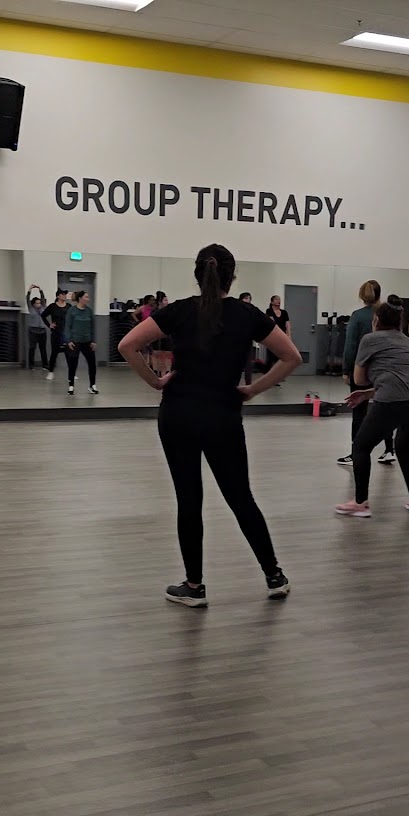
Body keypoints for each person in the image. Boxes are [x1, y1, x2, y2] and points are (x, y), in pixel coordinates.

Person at [118, 243, 302, 607]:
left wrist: (156, 382)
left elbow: (128, 345)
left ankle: (194, 586)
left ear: (197, 275)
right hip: (223, 416)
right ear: (232, 278)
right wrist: (252, 390)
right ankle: (274, 575)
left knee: (189, 500)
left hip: (178, 415)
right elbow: (291, 356)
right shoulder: (247, 314)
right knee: (240, 497)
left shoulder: (178, 311)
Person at [336, 295, 409, 518]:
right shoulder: (406, 340)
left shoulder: (369, 339)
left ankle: (360, 503)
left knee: (361, 447)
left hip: (392, 402)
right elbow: (404, 378)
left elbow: (359, 379)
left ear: (376, 320)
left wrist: (368, 383)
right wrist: (369, 393)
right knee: (404, 446)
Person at [339, 280, 395, 467]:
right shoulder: (386, 314)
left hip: (361, 370)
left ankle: (356, 453)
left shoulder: (357, 316)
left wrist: (346, 370)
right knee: (385, 409)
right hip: (383, 369)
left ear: (362, 296)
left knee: (359, 412)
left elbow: (350, 346)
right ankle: (389, 450)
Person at [64, 290, 98, 395]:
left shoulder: (89, 311)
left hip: (87, 341)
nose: (88, 299)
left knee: (92, 363)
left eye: (88, 297)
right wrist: (69, 340)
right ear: (80, 298)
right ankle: (71, 386)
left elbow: (92, 327)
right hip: (75, 341)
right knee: (73, 364)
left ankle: (92, 385)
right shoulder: (72, 311)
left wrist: (93, 341)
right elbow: (67, 326)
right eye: (86, 297)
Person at [42, 288, 70, 379]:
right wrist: (49, 325)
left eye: (65, 294)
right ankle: (51, 372)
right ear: (58, 296)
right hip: (56, 333)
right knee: (54, 352)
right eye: (62, 294)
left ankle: (72, 373)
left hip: (66, 333)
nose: (64, 296)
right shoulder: (52, 306)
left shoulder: (69, 306)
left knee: (68, 353)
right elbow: (43, 315)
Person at [265, 296, 291, 384]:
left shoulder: (284, 312)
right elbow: (271, 322)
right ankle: (268, 377)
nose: (278, 301)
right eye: (276, 299)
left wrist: (288, 335)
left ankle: (277, 377)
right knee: (270, 357)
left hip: (282, 337)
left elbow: (287, 324)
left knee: (280, 357)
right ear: (272, 302)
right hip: (272, 336)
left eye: (279, 299)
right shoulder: (269, 311)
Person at [26, 285, 48, 370]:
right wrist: (30, 290)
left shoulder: (43, 307)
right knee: (32, 348)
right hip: (33, 331)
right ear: (33, 304)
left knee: (43, 348)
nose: (39, 304)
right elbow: (27, 298)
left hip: (42, 331)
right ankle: (31, 365)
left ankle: (45, 365)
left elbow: (43, 298)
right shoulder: (31, 308)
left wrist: (40, 290)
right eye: (37, 303)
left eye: (39, 303)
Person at [239, 292, 255, 385]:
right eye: (245, 298)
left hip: (248, 339)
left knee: (248, 364)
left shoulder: (252, 311)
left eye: (249, 298)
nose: (247, 300)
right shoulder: (236, 310)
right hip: (237, 339)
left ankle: (248, 383)